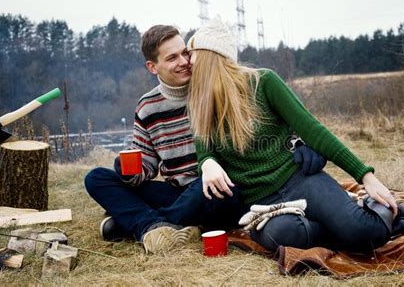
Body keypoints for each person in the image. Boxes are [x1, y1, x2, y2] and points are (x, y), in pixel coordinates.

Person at [84, 24, 327, 253]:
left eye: (185, 53)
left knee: (208, 188)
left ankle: (137, 223)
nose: (184, 62)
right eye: (172, 58)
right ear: (152, 67)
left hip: (222, 190)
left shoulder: (215, 88)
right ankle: (155, 226)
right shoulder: (147, 106)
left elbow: (272, 124)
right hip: (177, 193)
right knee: (96, 178)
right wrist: (129, 172)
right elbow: (146, 164)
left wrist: (299, 143)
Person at [186, 18, 404, 253]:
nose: (188, 61)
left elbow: (313, 131)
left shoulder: (263, 82)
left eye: (191, 53)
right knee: (282, 235)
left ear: (208, 56)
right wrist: (207, 163)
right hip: (262, 203)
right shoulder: (201, 105)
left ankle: (372, 210)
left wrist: (365, 176)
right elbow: (205, 154)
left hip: (301, 181)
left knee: (362, 234)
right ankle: (337, 224)